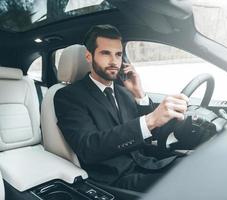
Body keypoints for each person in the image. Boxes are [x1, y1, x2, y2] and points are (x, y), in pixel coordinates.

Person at [54, 24, 189, 192]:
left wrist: (140, 95)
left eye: (118, 54)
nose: (114, 61)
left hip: (145, 164)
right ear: (89, 57)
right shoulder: (68, 96)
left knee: (196, 165)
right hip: (113, 178)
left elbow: (150, 134)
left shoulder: (125, 93)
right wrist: (150, 120)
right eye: (105, 53)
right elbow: (88, 148)